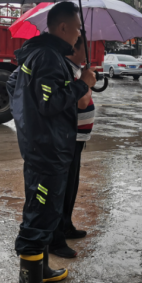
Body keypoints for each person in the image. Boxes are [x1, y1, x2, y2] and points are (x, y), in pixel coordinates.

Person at [9, 2, 96, 283]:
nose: (78, 35)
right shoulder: (47, 57)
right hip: (46, 152)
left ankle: (42, 268)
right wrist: (82, 84)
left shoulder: (43, 55)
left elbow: (14, 87)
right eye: (76, 28)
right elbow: (48, 103)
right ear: (62, 28)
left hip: (50, 148)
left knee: (48, 213)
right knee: (39, 215)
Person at [50, 34, 94, 258]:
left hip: (77, 139)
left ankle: (66, 224)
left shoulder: (75, 69)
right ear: (74, 49)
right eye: (85, 48)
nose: (88, 53)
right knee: (62, 188)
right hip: (67, 139)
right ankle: (55, 237)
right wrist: (86, 83)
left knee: (71, 186)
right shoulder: (65, 69)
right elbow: (81, 102)